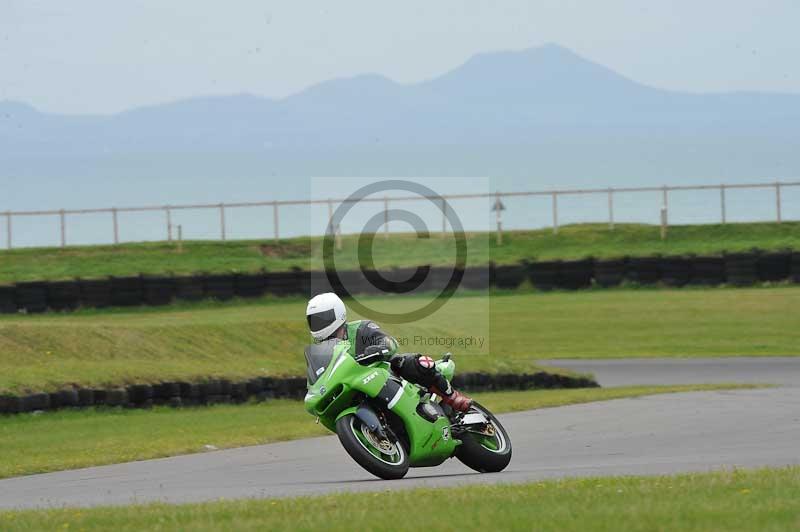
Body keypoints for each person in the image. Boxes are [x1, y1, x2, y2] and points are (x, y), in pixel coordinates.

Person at [305, 292, 473, 412]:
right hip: (356, 387)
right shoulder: (321, 351)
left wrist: (376, 350)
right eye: (314, 321)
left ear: (338, 314)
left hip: (386, 374)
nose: (319, 325)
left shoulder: (361, 328)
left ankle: (453, 397)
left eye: (323, 318)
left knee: (407, 362)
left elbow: (390, 343)